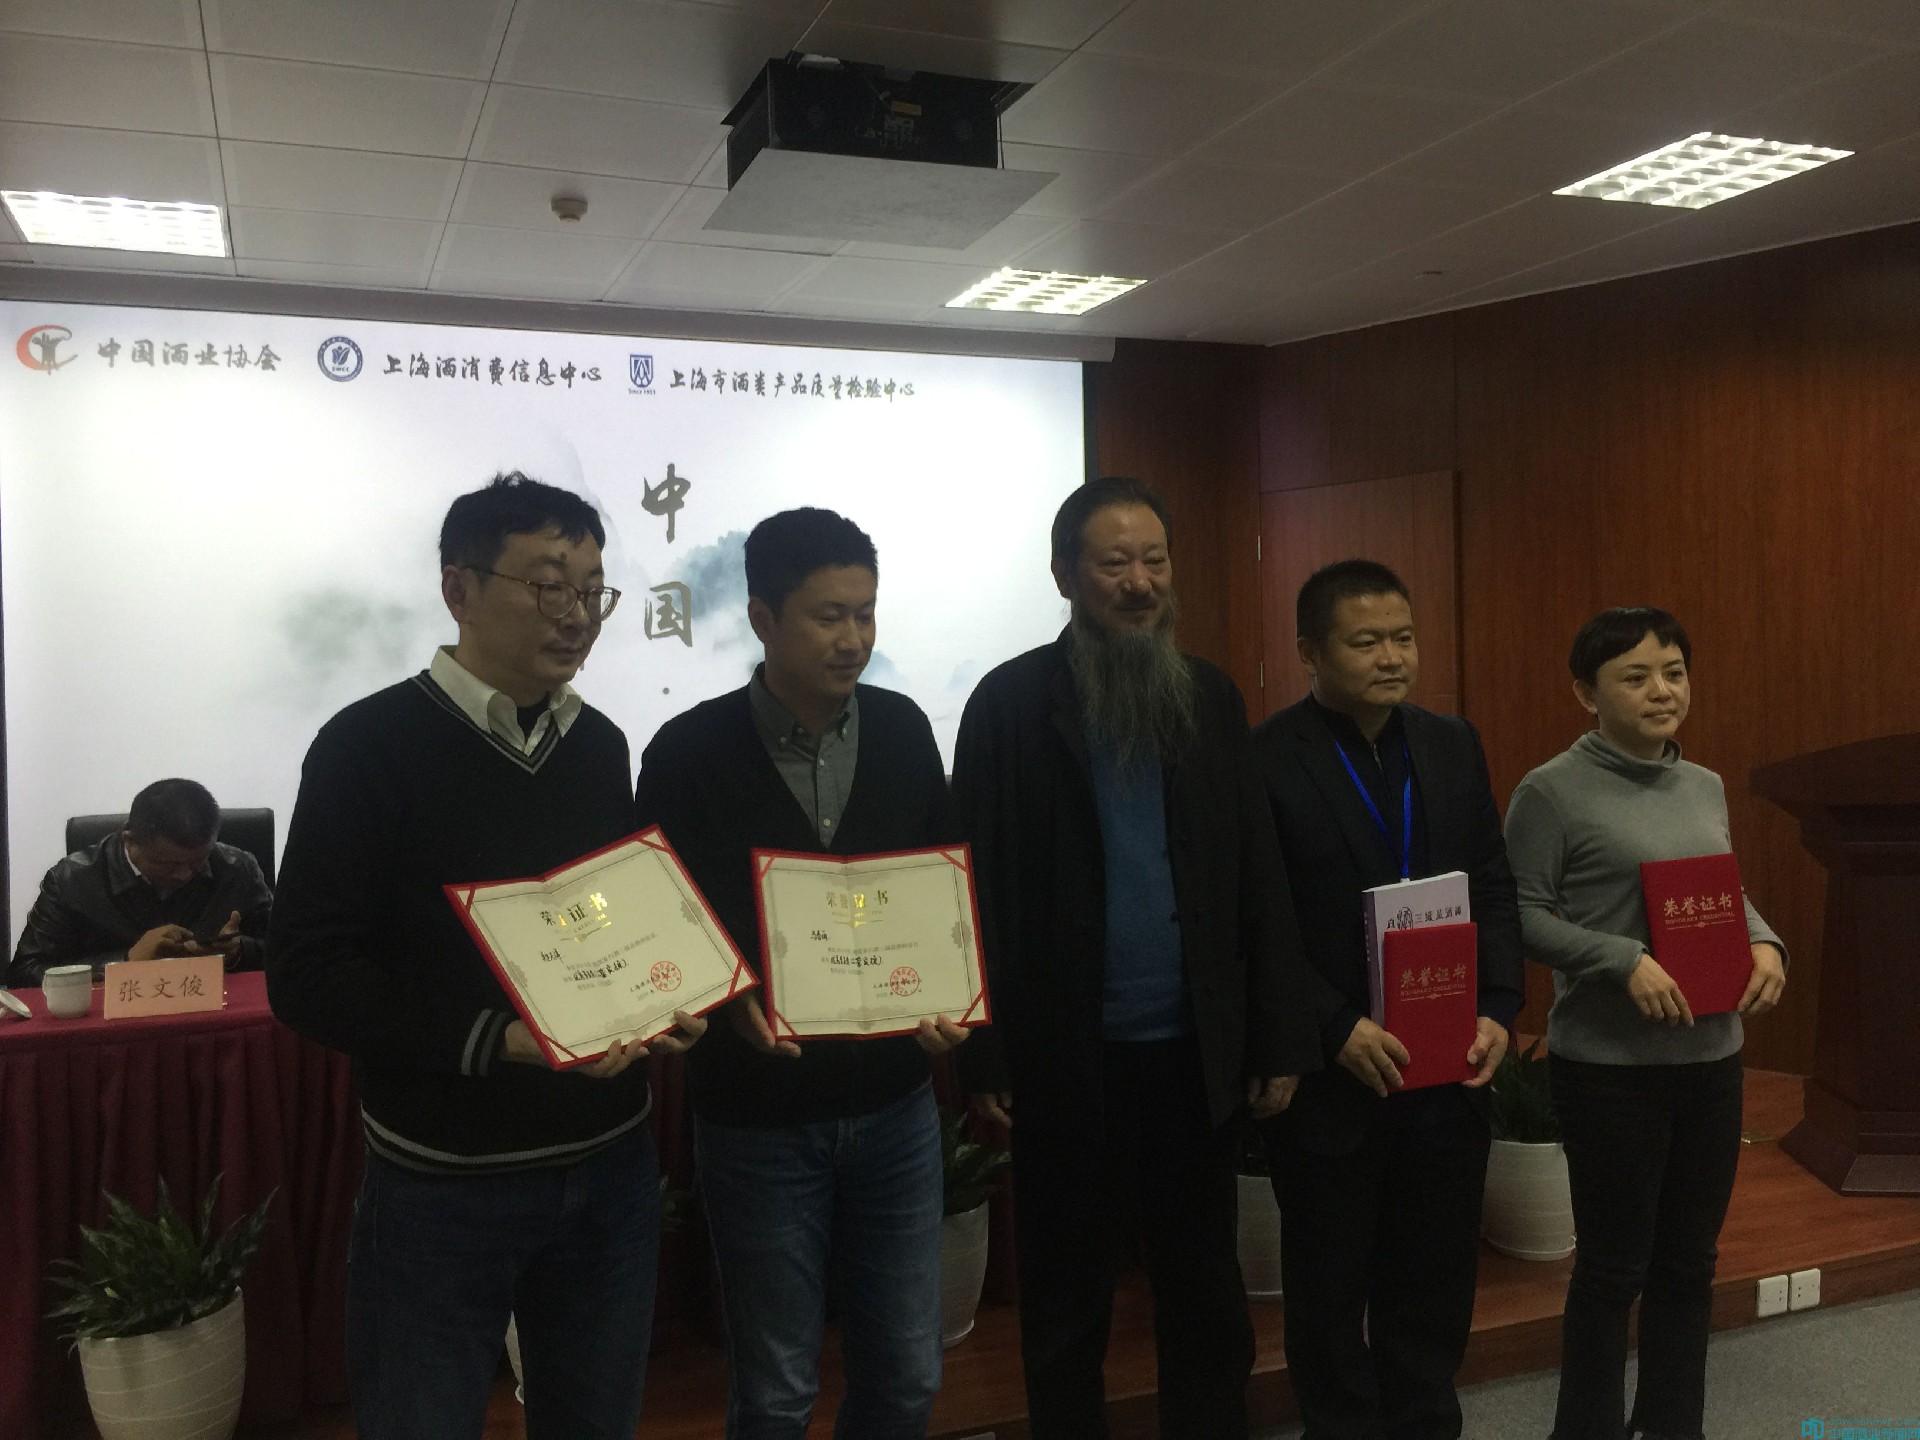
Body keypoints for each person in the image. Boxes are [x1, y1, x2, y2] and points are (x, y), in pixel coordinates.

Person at [267, 472, 703, 1440]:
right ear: (458, 589)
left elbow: (605, 925)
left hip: (608, 1164)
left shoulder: (599, 744)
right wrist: (499, 1039)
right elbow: (306, 972)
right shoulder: (366, 746)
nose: (577, 615)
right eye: (548, 586)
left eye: (592, 590)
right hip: (444, 1181)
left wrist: (661, 996)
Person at [952, 475, 1318, 1439]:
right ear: (1064, 575)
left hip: (1193, 1055)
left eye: (1154, 560)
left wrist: (1275, 1035)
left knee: (1205, 1291)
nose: (1139, 582)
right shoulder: (1009, 705)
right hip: (1066, 1055)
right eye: (1114, 563)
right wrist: (985, 1052)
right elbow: (969, 887)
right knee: (1067, 1299)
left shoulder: (1209, 696)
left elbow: (1255, 875)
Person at [635, 507, 965, 1440]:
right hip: (759, 1118)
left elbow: (940, 884)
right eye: (828, 616)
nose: (853, 638)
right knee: (777, 1388)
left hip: (894, 1105)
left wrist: (949, 992)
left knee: (907, 1375)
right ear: (763, 618)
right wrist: (728, 995)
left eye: (865, 613)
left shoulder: (901, 729)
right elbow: (661, 920)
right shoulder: (688, 751)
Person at [1252, 558, 1523, 1440]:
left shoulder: (1450, 743)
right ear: (1310, 652)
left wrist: (1498, 1004)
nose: (1391, 657)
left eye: (1403, 638)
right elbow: (1258, 920)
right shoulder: (1265, 758)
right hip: (1339, 1074)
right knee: (1329, 1291)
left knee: (1434, 1283)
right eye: (1365, 642)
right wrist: (1332, 1025)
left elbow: (1491, 880)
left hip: (1447, 1063)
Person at [1504, 606, 1786, 1440]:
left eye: (1674, 672)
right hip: (1610, 1069)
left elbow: (1721, 893)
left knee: (1689, 1266)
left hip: (1712, 1057)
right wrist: (1620, 958)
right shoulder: (1550, 790)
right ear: (1586, 693)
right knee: (1611, 1272)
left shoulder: (1702, 784)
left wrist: (1764, 942)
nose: (1663, 691)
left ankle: (1671, 1426)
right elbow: (1519, 914)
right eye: (1636, 677)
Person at [8, 778, 271, 987]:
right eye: (168, 864)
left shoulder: (236, 868)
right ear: (129, 841)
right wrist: (125, 962)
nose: (185, 874)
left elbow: (283, 950)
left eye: (199, 861)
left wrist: (238, 951)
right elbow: (25, 973)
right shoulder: (72, 880)